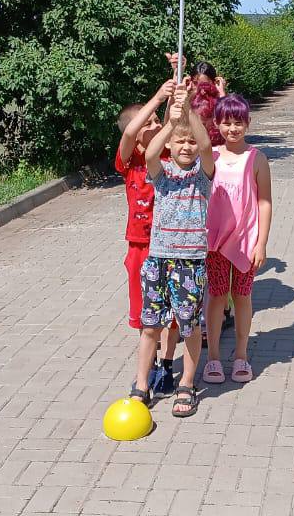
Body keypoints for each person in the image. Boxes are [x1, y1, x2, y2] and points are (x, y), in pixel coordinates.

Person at [130, 79, 215, 418]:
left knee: (189, 326)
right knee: (150, 325)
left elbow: (206, 145)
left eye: (190, 141)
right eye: (180, 141)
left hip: (190, 262)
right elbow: (150, 153)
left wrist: (189, 110)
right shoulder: (162, 173)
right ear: (170, 144)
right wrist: (171, 123)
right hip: (158, 260)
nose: (186, 147)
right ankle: (141, 384)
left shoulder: (203, 176)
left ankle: (187, 383)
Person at [115, 81, 181, 395]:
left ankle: (167, 364)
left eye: (156, 121)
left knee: (172, 311)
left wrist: (173, 88)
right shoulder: (129, 161)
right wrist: (157, 98)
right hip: (140, 247)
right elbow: (130, 133)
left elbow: (172, 122)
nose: (155, 125)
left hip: (169, 246)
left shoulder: (165, 155)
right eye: (149, 122)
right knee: (146, 312)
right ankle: (149, 362)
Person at [202, 94, 273, 385]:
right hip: (216, 243)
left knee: (242, 296)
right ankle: (213, 357)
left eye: (238, 122)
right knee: (217, 296)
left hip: (246, 242)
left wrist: (261, 242)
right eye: (226, 123)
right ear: (216, 124)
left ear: (248, 123)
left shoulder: (257, 159)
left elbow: (265, 202)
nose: (232, 128)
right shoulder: (211, 156)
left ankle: (241, 354)